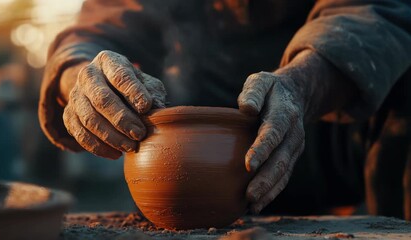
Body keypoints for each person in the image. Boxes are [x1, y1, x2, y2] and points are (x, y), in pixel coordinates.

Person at [39, 0, 411, 218]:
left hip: (327, 107)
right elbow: (94, 31)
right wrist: (79, 77)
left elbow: (373, 12)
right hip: (179, 138)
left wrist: (302, 85)